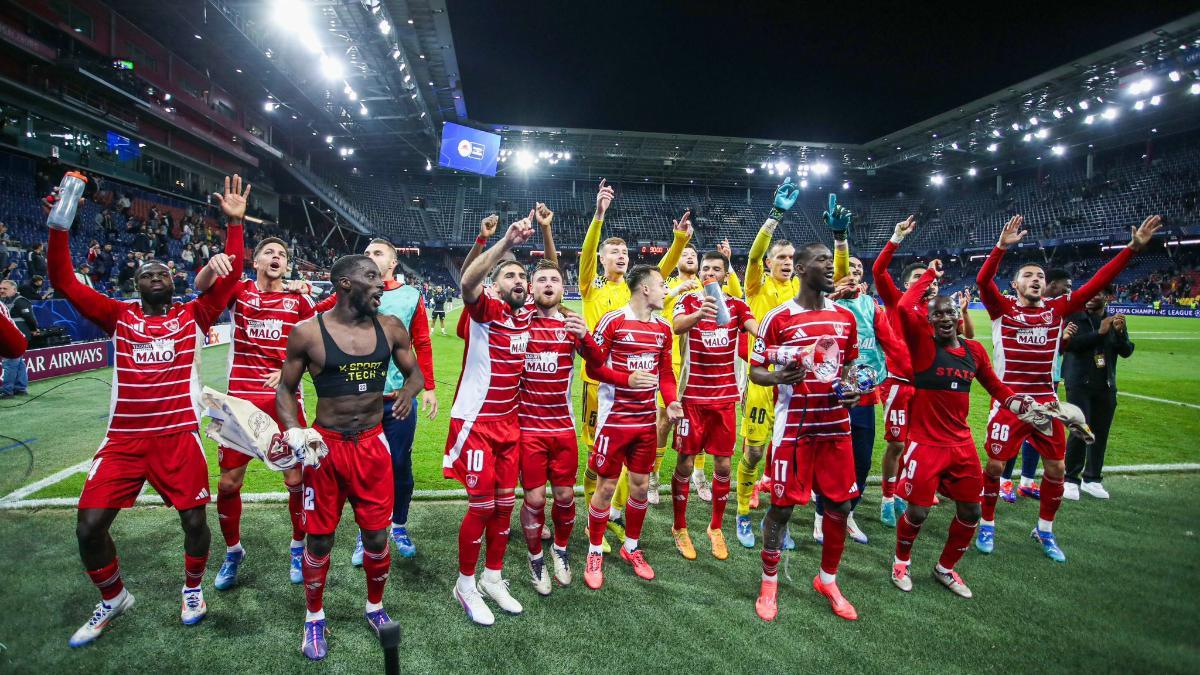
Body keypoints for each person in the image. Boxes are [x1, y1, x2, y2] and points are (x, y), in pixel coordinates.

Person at [56, 174, 247, 647]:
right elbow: (64, 281)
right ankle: (113, 596)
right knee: (89, 527)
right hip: (123, 441)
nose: (156, 276)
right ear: (136, 284)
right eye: (147, 273)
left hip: (178, 437)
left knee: (195, 522)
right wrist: (59, 227)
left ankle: (192, 589)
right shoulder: (118, 316)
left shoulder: (192, 315)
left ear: (174, 281)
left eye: (163, 272)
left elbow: (230, 279)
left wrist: (235, 225)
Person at [975, 214, 1161, 561]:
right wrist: (1000, 247)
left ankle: (1044, 530)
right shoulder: (1001, 308)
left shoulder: (1057, 309)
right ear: (1015, 285)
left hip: (1046, 403)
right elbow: (983, 281)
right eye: (1028, 275)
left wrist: (1132, 249)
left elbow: (1096, 283)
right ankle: (987, 523)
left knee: (1057, 469)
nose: (1035, 279)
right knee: (996, 467)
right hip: (1010, 402)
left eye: (1040, 276)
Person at [275, 254, 424, 660]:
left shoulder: (390, 327)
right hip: (325, 449)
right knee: (320, 538)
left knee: (376, 535)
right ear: (344, 283)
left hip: (373, 445)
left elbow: (415, 374)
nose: (380, 284)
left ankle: (374, 607)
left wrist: (408, 392)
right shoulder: (308, 332)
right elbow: (285, 389)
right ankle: (314, 617)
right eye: (371, 277)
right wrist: (293, 429)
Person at [889, 263, 1032, 598]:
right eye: (936, 314)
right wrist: (929, 276)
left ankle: (945, 568)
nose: (943, 318)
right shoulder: (923, 347)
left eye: (949, 312)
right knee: (918, 511)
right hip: (925, 444)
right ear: (928, 320)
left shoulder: (974, 351)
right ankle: (901, 563)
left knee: (972, 511)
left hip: (961, 445)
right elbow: (903, 307)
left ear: (958, 316)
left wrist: (1018, 403)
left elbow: (996, 387)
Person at [192, 235, 315, 589]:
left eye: (282, 254)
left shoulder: (299, 301)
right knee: (229, 483)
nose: (277, 257)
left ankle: (297, 547)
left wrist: (289, 370)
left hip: (284, 402)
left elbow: (316, 345)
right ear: (257, 261)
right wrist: (210, 267)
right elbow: (202, 288)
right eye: (269, 252)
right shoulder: (240, 291)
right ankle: (233, 551)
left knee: (295, 480)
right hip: (239, 405)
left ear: (286, 266)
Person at [750, 242, 863, 622]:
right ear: (800, 268)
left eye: (832, 261)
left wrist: (852, 388)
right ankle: (769, 583)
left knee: (840, 506)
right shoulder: (778, 318)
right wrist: (778, 377)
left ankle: (827, 580)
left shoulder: (845, 318)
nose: (831, 267)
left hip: (836, 428)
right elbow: (756, 370)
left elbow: (850, 366)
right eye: (822, 260)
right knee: (781, 508)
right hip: (794, 431)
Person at [577, 179, 689, 550]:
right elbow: (586, 254)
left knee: (631, 460)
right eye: (614, 251)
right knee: (596, 456)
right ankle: (595, 515)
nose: (621, 255)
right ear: (602, 259)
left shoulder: (634, 291)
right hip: (600, 384)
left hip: (638, 386)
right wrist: (599, 216)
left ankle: (615, 512)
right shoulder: (591, 286)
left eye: (624, 251)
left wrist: (679, 242)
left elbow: (660, 272)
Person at [313, 238, 437, 564]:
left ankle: (399, 525)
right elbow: (314, 317)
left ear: (393, 263)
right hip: (357, 402)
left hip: (397, 400)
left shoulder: (411, 296)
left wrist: (428, 388)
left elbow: (422, 342)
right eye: (366, 253)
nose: (369, 256)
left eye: (377, 253)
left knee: (399, 464)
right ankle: (367, 531)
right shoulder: (349, 293)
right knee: (363, 471)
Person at [444, 212, 536, 626]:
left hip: (509, 425)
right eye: (509, 275)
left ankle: (493, 578)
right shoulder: (486, 309)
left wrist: (544, 233)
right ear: (495, 285)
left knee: (503, 506)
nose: (519, 280)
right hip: (476, 424)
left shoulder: (526, 313)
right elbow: (467, 282)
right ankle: (465, 585)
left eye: (522, 276)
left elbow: (551, 275)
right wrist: (504, 244)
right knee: (480, 507)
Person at [870, 216, 976, 527]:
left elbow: (964, 339)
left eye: (931, 280)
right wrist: (896, 239)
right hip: (899, 383)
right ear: (908, 284)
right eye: (918, 278)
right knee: (897, 443)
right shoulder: (897, 301)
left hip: (931, 388)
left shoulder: (939, 313)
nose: (928, 283)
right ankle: (888, 498)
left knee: (920, 443)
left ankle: (908, 489)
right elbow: (878, 271)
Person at [583, 264, 683, 589]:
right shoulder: (613, 320)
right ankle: (594, 551)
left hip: (645, 423)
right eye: (662, 284)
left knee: (640, 486)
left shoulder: (663, 328)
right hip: (614, 421)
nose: (666, 290)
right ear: (645, 288)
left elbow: (665, 373)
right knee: (606, 488)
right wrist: (626, 379)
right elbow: (593, 367)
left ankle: (631, 547)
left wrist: (671, 401)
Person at [517, 259, 605, 594]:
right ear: (532, 287)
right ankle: (536, 557)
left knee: (566, 496)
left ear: (562, 288)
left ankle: (560, 550)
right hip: (529, 429)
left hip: (562, 427)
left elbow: (597, 365)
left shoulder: (572, 325)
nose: (548, 284)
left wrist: (587, 338)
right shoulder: (519, 323)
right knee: (535, 498)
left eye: (554, 279)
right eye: (541, 279)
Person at [670, 251, 756, 560]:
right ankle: (679, 527)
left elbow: (755, 328)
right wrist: (699, 314)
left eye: (715, 269)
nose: (708, 272)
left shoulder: (736, 305)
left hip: (723, 399)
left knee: (723, 465)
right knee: (685, 463)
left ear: (724, 274)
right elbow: (677, 326)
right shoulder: (689, 301)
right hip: (692, 397)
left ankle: (715, 527)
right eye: (705, 268)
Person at [816, 253, 907, 545]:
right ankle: (820, 516)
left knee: (862, 460)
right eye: (848, 267)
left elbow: (891, 343)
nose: (854, 271)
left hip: (864, 395)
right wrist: (831, 297)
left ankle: (849, 514)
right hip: (829, 394)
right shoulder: (822, 302)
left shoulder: (870, 305)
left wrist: (919, 372)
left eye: (858, 268)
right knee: (829, 457)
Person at [734, 179, 801, 549]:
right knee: (755, 451)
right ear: (769, 263)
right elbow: (754, 255)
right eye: (781, 258)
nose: (787, 263)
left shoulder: (800, 290)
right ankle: (742, 512)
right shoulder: (757, 286)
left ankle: (777, 520)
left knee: (785, 454)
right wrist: (774, 216)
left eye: (791, 258)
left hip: (793, 381)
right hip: (762, 378)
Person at [658, 239, 741, 505]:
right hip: (673, 363)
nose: (689, 256)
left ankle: (700, 475)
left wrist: (727, 267)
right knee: (664, 423)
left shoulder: (710, 286)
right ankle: (653, 476)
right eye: (684, 253)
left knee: (704, 430)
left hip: (700, 366)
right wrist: (677, 290)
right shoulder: (670, 284)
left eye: (693, 253)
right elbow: (658, 303)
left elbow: (736, 298)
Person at [999, 268, 1073, 502]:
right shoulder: (1017, 309)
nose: (1068, 291)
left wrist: (1064, 342)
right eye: (1065, 286)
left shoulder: (1056, 310)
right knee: (1014, 435)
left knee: (1037, 433)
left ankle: (1027, 481)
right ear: (1054, 284)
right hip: (1017, 385)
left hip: (1048, 382)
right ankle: (1004, 480)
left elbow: (1055, 348)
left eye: (1039, 276)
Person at [1062, 288, 1134, 500]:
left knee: (1100, 432)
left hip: (1106, 383)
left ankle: (1092, 479)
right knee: (1080, 429)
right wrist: (1099, 334)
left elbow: (1126, 351)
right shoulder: (1075, 317)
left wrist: (1119, 334)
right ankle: (1070, 478)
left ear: (1107, 297)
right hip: (1078, 382)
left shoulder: (1114, 321)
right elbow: (1069, 345)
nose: (1092, 297)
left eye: (1098, 294)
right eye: (1090, 293)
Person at [0, 279, 38, 398]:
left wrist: (33, 329)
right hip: (15, 336)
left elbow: (30, 317)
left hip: (17, 336)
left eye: (5, 288)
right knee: (18, 362)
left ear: (14, 289)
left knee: (10, 363)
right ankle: (20, 388)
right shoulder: (4, 301)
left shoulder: (20, 301)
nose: (2, 291)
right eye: (0, 288)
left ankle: (7, 391)